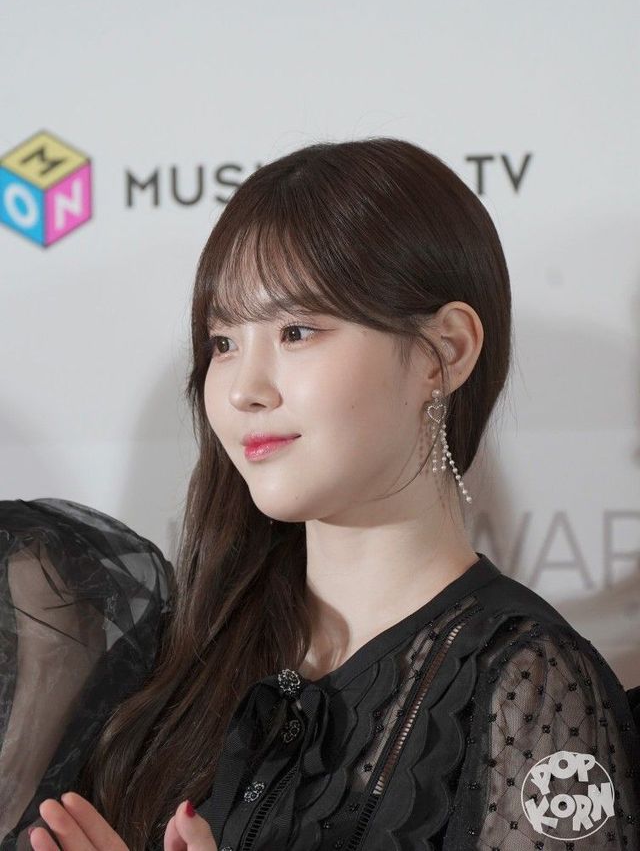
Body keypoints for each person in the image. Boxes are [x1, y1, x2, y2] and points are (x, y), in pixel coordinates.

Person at [2, 137, 639, 850]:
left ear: (446, 353)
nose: (243, 389)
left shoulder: (530, 685)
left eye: (297, 331)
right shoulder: (177, 664)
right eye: (223, 342)